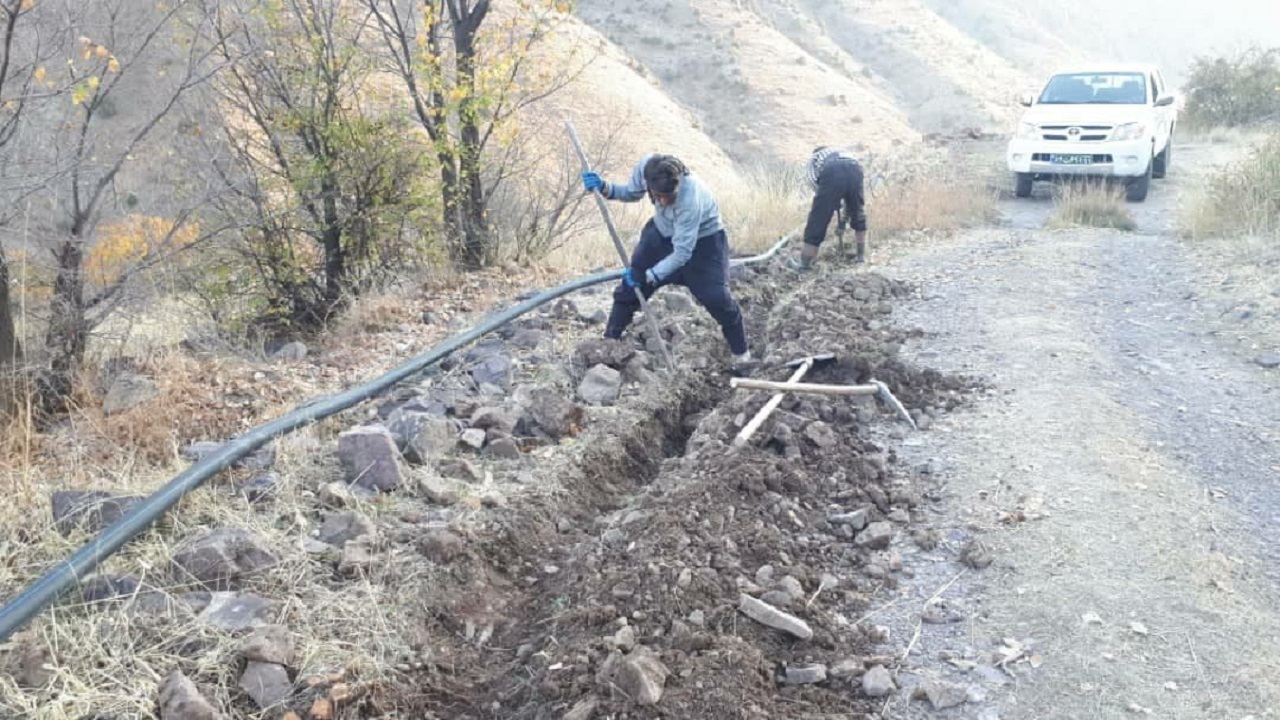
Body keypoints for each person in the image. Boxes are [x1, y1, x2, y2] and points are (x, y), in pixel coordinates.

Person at [581, 153, 758, 372]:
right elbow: (631, 192)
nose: (663, 201)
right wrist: (606, 188)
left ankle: (742, 356)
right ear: (650, 186)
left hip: (704, 244)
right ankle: (609, 343)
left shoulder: (690, 199)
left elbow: (682, 253)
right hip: (661, 233)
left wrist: (650, 275)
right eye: (658, 196)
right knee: (630, 288)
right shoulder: (646, 168)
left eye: (668, 197)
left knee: (717, 298)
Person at [787, 145, 868, 271]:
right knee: (858, 212)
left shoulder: (814, 157)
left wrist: (826, 200)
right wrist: (842, 221)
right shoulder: (841, 151)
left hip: (833, 171)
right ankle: (861, 257)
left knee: (817, 220)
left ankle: (804, 266)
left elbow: (812, 179)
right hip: (855, 168)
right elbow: (850, 204)